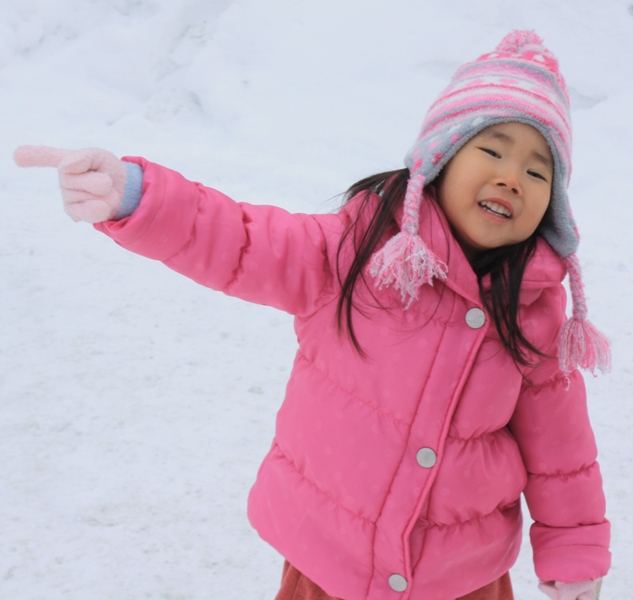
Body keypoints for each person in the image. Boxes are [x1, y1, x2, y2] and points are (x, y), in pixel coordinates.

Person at [14, 30, 610, 600]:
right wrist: (138, 196)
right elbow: (239, 240)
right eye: (491, 149)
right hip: (331, 566)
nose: (512, 177)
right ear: (440, 159)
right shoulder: (353, 253)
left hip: (462, 581)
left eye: (538, 171)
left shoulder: (532, 316)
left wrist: (574, 555)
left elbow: (564, 457)